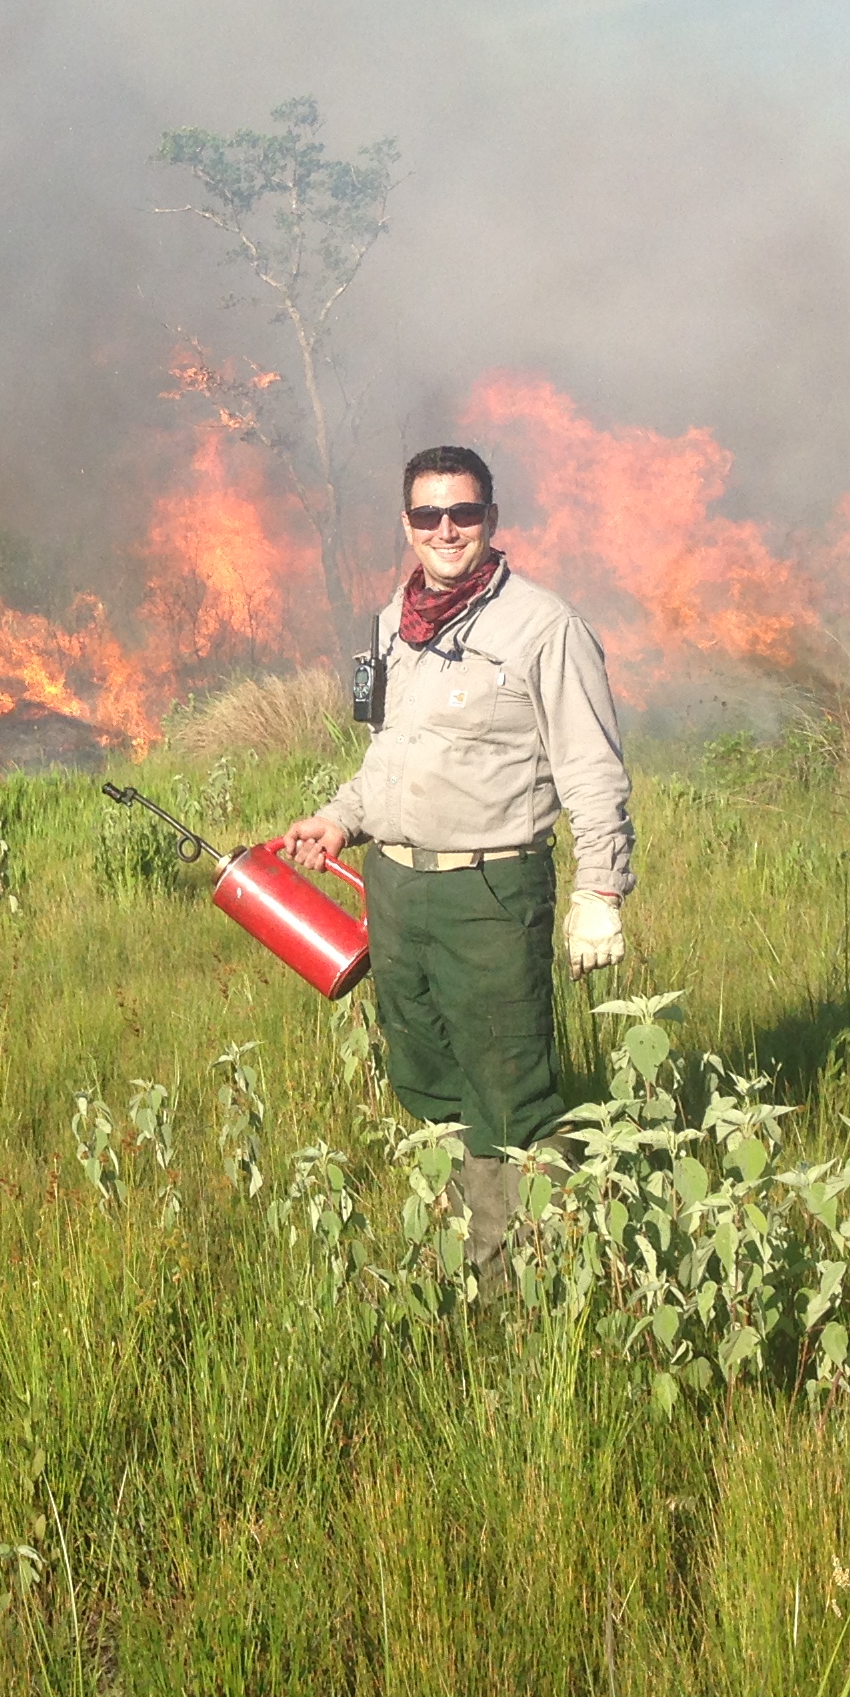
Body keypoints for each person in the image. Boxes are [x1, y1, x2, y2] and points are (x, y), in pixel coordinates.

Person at [282, 443, 633, 1283]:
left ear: (492, 520)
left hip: (490, 890)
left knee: (509, 1085)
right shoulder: (387, 628)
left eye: (464, 513)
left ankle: (526, 1278)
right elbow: (386, 757)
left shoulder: (545, 627)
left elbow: (592, 767)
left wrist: (600, 887)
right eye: (429, 514)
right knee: (426, 1072)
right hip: (397, 888)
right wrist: (338, 819)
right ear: (407, 525)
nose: (447, 529)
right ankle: (470, 1246)